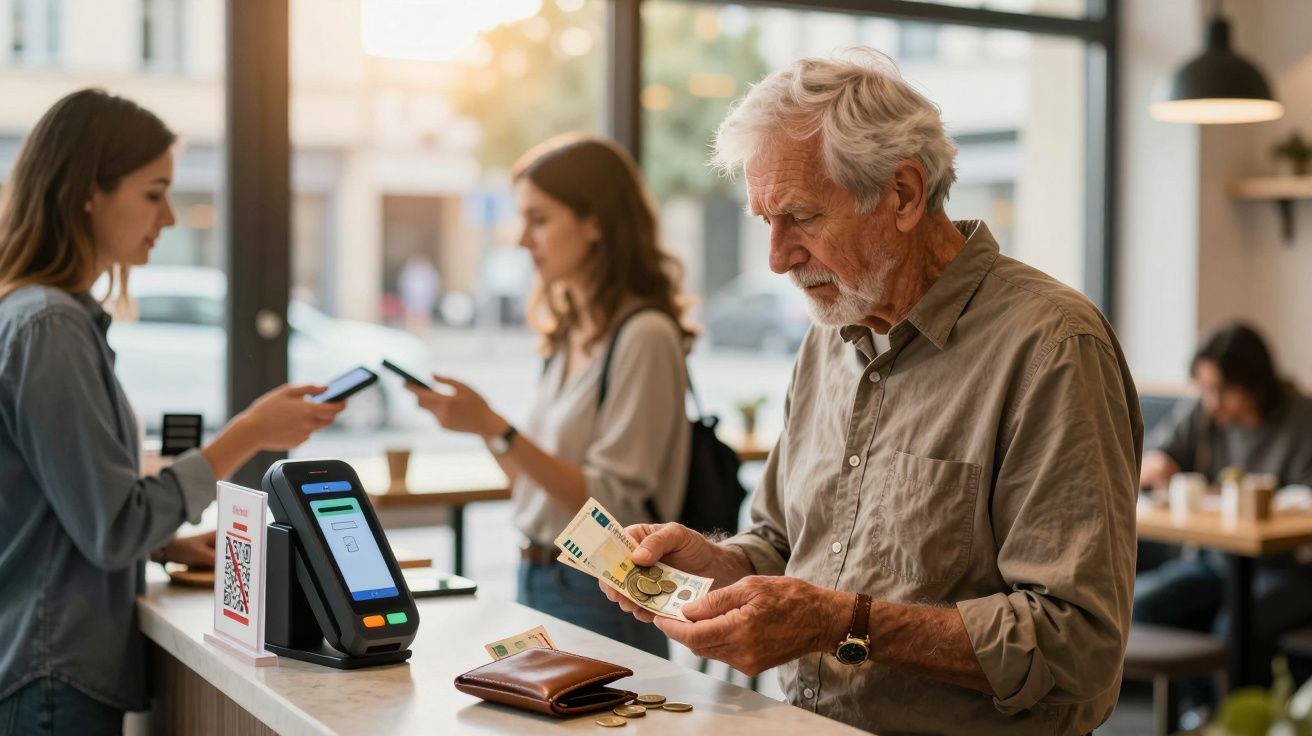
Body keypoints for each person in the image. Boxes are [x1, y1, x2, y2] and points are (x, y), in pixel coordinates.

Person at [600, 50, 1142, 734]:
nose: (776, 257)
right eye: (763, 219)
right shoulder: (830, 334)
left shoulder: (1052, 347)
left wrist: (837, 623)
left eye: (801, 217)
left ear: (905, 195)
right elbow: (782, 543)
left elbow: (1077, 645)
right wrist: (716, 565)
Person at [0, 89, 344, 734]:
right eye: (153, 193)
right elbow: (110, 528)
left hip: (48, 663)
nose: (170, 218)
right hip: (49, 670)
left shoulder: (45, 319)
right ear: (87, 193)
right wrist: (248, 435)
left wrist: (166, 543)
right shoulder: (49, 327)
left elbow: (64, 510)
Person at [403, 134, 693, 658]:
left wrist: (497, 427)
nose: (522, 240)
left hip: (602, 592)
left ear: (595, 222)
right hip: (538, 575)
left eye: (539, 219)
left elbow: (615, 506)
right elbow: (534, 490)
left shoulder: (644, 335)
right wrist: (482, 429)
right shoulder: (568, 334)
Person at [1135, 322, 1312, 690]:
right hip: (1216, 559)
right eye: (1206, 389)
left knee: (1234, 627)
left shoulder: (1301, 420)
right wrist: (1154, 463)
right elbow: (1154, 455)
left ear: (1255, 383)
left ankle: (1221, 721)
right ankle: (1198, 710)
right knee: (1140, 603)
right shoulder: (1204, 412)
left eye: (1222, 390)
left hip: (1287, 568)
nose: (1213, 402)